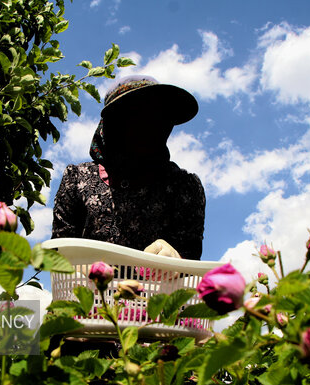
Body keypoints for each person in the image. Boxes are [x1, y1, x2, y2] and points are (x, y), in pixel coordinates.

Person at [51, 75, 205, 260]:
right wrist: (88, 269)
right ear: (113, 125)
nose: (148, 126)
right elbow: (59, 253)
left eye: (156, 116)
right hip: (87, 287)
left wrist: (174, 255)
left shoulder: (184, 187)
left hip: (161, 287)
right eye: (135, 114)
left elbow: (190, 257)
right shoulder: (77, 179)